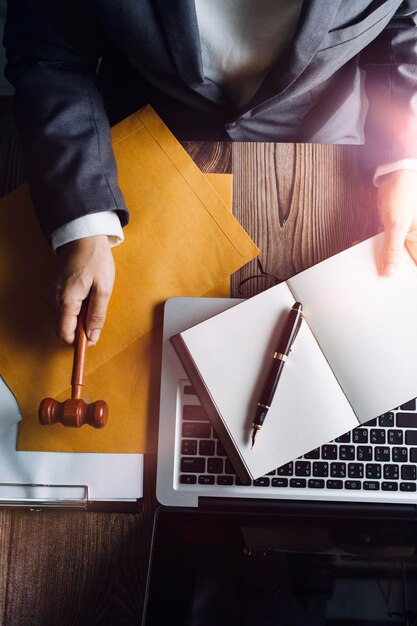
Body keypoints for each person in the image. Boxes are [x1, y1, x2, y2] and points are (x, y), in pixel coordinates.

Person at [4, 0, 417, 345]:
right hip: (133, 140)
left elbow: (408, 23)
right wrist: (84, 221)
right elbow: (48, 55)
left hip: (322, 146)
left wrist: (405, 158)